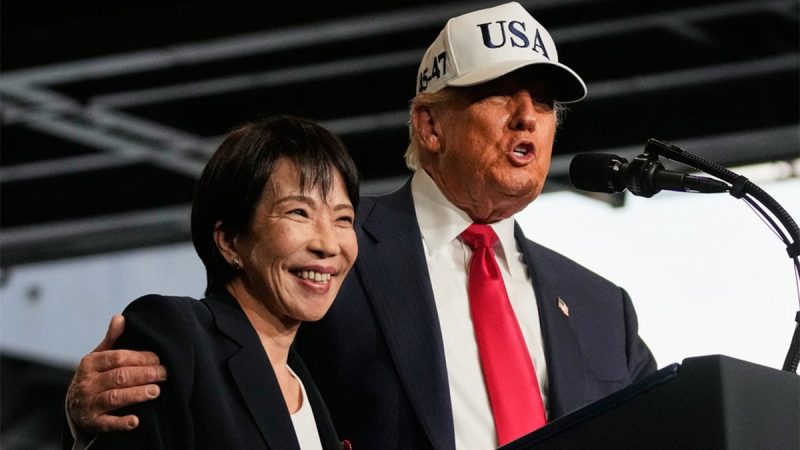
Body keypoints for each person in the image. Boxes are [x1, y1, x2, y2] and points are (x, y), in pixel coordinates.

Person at [65, 3, 657, 449]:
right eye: (500, 94)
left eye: (546, 102)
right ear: (429, 126)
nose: (527, 116)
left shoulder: (604, 311)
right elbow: (216, 373)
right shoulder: (329, 257)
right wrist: (93, 419)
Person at [65, 115, 359, 449]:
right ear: (230, 241)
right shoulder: (175, 337)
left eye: (343, 218)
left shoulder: (312, 383)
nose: (328, 244)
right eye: (298, 212)